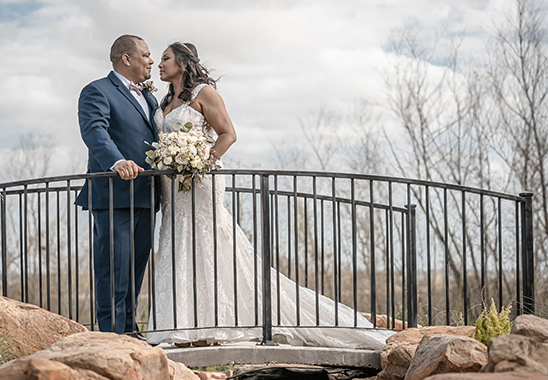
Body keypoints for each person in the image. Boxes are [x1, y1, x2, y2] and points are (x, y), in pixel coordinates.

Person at [146, 42, 390, 349]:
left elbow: (228, 134)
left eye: (166, 58)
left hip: (199, 179)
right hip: (172, 187)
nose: (159, 63)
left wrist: (200, 162)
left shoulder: (204, 93)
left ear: (183, 62)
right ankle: (182, 326)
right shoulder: (164, 100)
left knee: (208, 241)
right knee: (178, 242)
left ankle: (218, 322)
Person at [76, 34, 159, 334]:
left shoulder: (149, 97)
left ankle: (130, 330)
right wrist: (117, 162)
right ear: (127, 58)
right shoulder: (96, 91)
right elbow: (95, 131)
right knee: (113, 270)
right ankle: (112, 334)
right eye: (146, 55)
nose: (152, 61)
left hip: (147, 197)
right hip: (114, 195)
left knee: (135, 271)